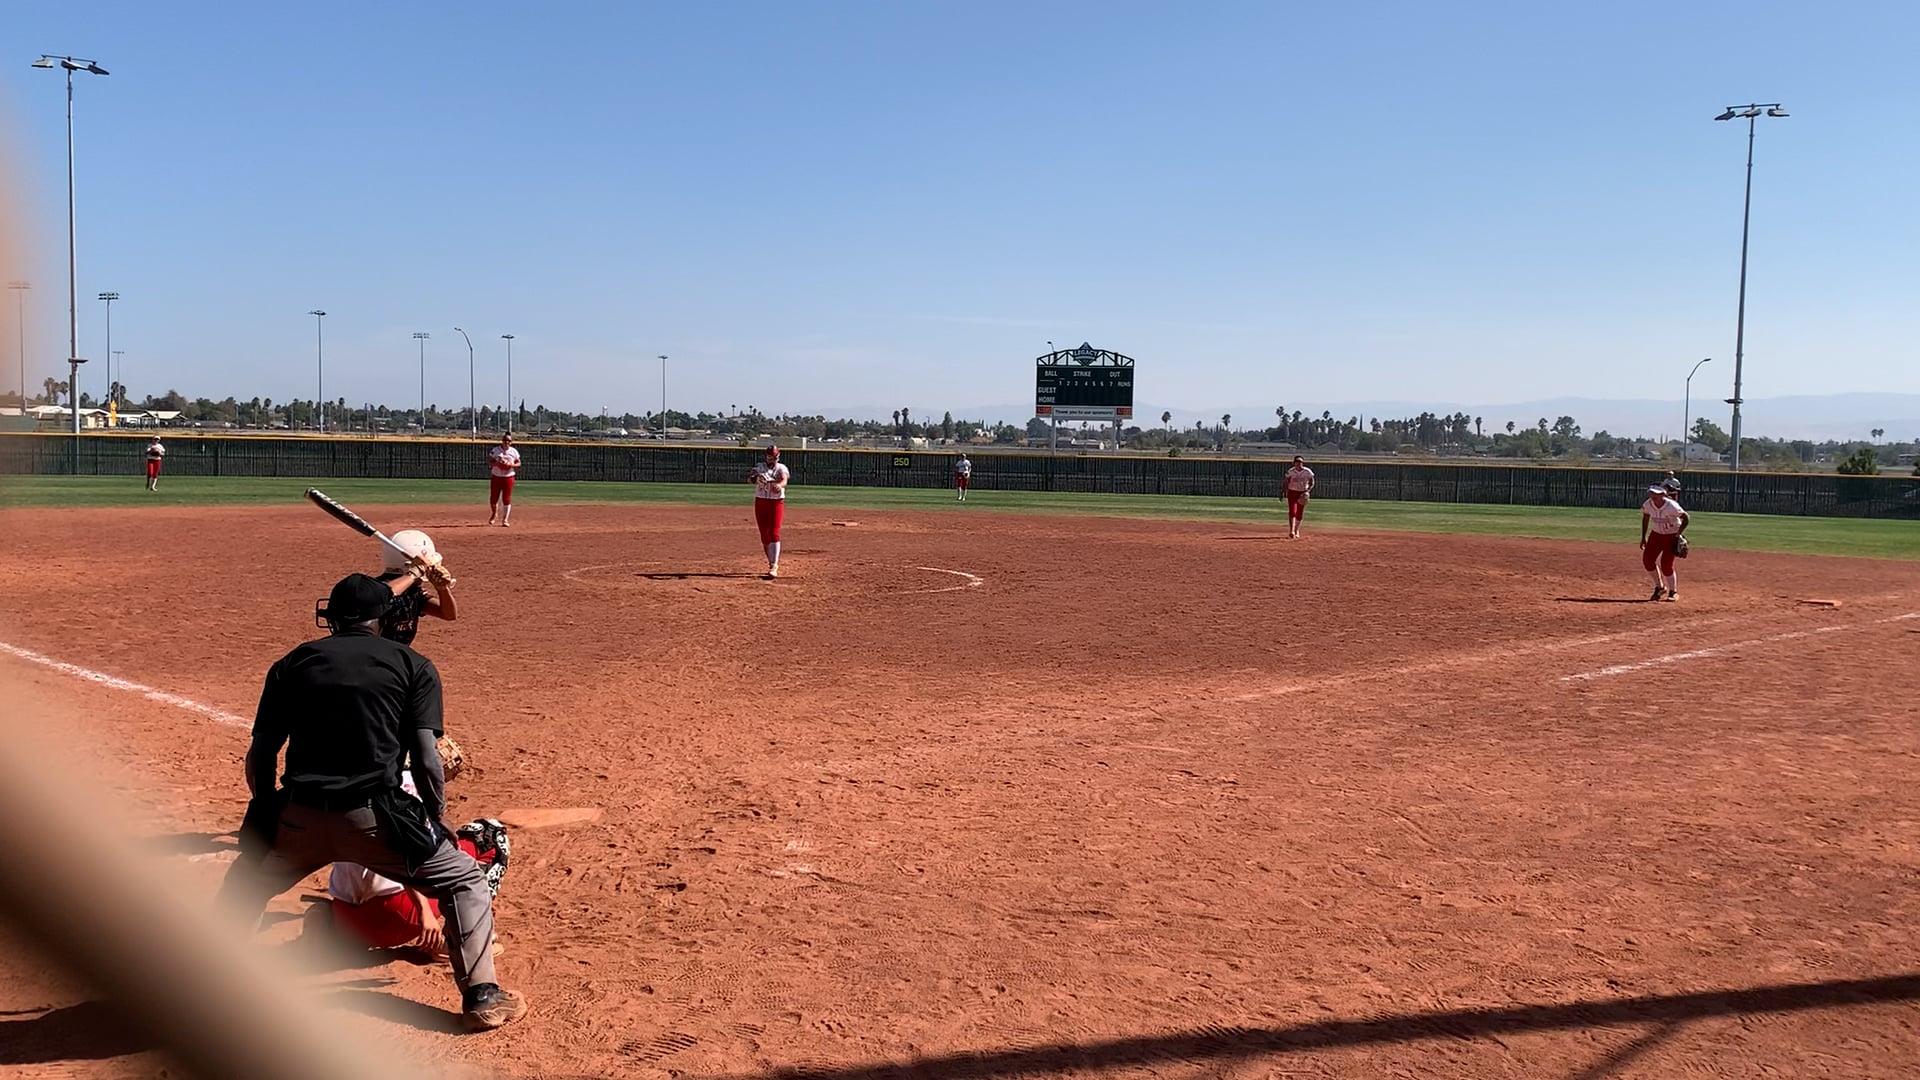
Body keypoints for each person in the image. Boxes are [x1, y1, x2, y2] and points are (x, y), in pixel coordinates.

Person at [216, 573, 526, 1031]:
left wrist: (266, 810)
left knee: (243, 885)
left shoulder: (292, 663)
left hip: (300, 816)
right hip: (377, 820)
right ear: (382, 619)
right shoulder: (413, 665)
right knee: (464, 881)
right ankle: (482, 996)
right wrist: (435, 816)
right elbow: (426, 758)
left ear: (332, 617)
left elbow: (261, 754)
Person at [378, 529, 458, 632]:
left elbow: (449, 615)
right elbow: (385, 594)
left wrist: (442, 589)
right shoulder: (373, 590)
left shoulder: (414, 592)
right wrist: (412, 575)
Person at [1639, 484, 1690, 602]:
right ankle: (1660, 587)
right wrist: (1643, 537)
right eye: (1651, 493)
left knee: (1666, 565)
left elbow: (1686, 518)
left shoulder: (1671, 506)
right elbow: (1646, 517)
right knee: (1647, 560)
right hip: (1656, 535)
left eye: (1656, 493)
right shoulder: (1648, 504)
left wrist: (1678, 534)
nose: (1653, 495)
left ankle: (1673, 592)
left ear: (1663, 494)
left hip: (1671, 535)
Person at [750, 444, 790, 578]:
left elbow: (784, 479)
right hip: (761, 502)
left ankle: (774, 565)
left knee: (774, 532)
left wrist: (779, 485)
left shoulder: (781, 468)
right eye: (770, 456)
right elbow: (750, 478)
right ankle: (771, 562)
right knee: (764, 535)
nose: (772, 459)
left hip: (776, 502)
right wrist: (756, 479)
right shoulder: (759, 467)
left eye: (774, 456)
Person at [487, 434, 521, 526]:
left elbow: (519, 463)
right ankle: (494, 513)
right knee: (494, 498)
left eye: (509, 441)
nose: (507, 442)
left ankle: (505, 520)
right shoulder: (496, 450)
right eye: (505, 440)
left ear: (511, 442)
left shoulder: (513, 451)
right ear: (502, 441)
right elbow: (490, 461)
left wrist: (511, 465)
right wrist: (497, 464)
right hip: (496, 476)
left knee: (506, 498)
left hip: (508, 477)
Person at [1281, 456, 1315, 539]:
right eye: (1297, 461)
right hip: (1292, 492)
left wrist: (1308, 491)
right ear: (1294, 463)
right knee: (1292, 511)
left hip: (1302, 492)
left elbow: (1312, 482)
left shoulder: (1307, 471)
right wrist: (1282, 492)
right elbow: (1286, 482)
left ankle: (1297, 530)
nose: (1299, 463)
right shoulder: (1291, 471)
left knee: (1300, 512)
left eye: (1300, 462)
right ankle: (1291, 531)